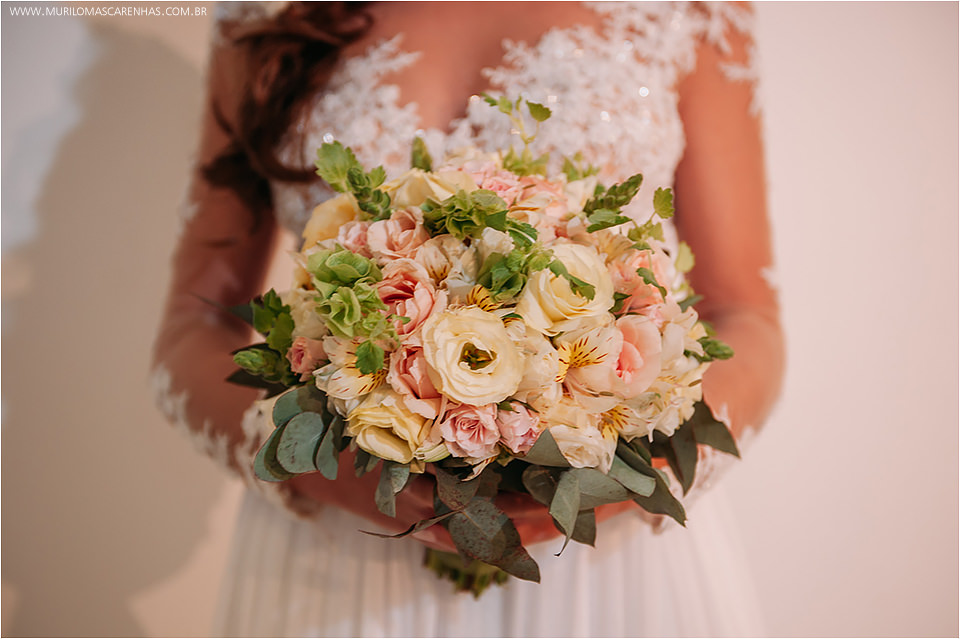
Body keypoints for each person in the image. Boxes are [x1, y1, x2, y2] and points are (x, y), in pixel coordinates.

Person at [153, 2, 784, 636]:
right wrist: (327, 474)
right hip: (346, 544)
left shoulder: (685, 13)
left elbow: (743, 313)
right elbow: (193, 323)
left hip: (597, 561)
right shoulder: (264, 12)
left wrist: (619, 482)